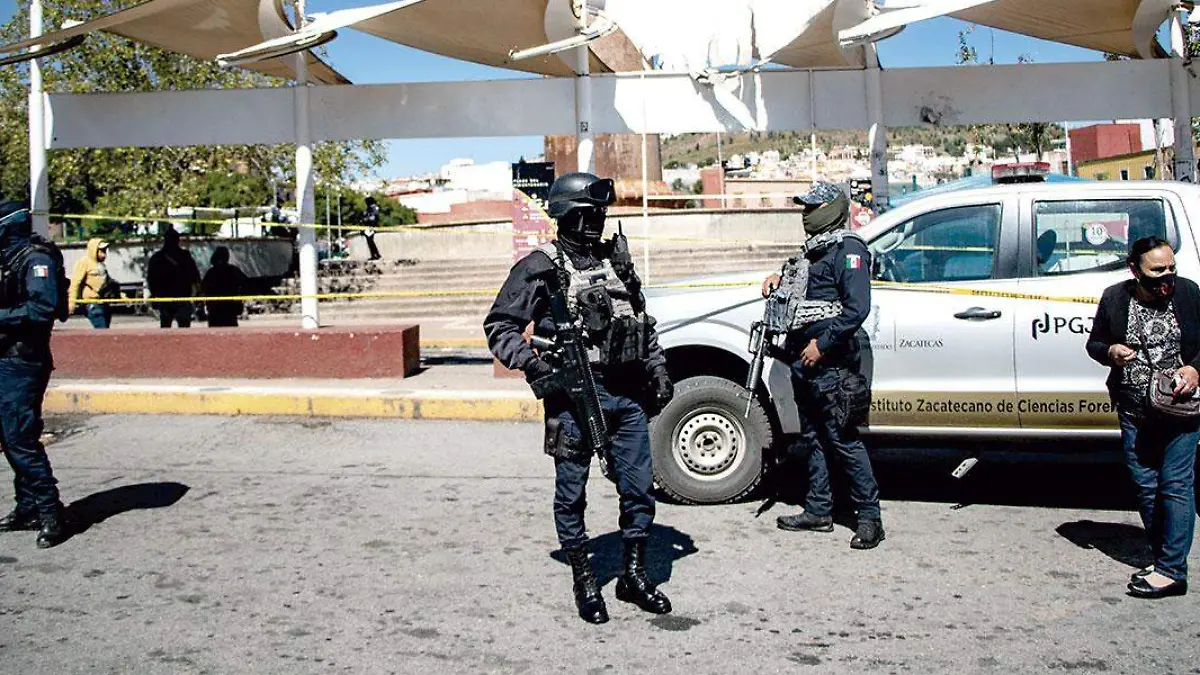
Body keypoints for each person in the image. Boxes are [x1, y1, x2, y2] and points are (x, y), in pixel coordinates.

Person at [484, 172, 675, 625]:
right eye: (589, 214)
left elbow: (641, 322)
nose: (598, 222)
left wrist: (659, 367)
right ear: (567, 214)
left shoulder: (617, 262)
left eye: (602, 214)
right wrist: (535, 367)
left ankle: (632, 575)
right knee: (572, 495)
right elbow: (500, 326)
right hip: (575, 398)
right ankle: (584, 578)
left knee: (639, 488)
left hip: (627, 395)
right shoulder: (541, 266)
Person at [765, 182, 884, 550]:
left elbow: (856, 309)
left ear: (832, 209)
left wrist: (823, 344)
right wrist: (775, 280)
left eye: (813, 207)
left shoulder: (849, 249)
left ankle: (869, 518)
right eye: (804, 207)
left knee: (843, 438)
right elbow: (800, 287)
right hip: (803, 359)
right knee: (812, 436)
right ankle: (818, 509)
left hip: (830, 362)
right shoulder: (811, 252)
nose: (805, 213)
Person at [1086, 236, 1200, 599]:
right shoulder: (1116, 297)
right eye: (1156, 270)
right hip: (1135, 408)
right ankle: (1164, 555)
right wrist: (1111, 352)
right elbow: (1095, 343)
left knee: (1176, 484)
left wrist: (1195, 369)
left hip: (1181, 409)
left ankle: (1171, 571)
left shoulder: (1188, 293)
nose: (1166, 277)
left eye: (1170, 268)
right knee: (1146, 486)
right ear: (1134, 270)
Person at [0, 201, 68, 548]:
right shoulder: (8, 259)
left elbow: (42, 310)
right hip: (6, 360)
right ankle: (27, 506)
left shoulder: (35, 260)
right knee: (8, 437)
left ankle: (50, 512)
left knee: (20, 438)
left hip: (23, 362)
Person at [146, 227, 200, 328]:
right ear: (177, 240)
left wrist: (153, 295)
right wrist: (197, 292)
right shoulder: (185, 256)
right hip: (181, 295)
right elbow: (195, 276)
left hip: (166, 296)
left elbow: (151, 279)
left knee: (166, 326)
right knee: (183, 326)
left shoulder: (157, 258)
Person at [68, 238, 115, 329]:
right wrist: (71, 302)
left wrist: (122, 295)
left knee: (105, 330)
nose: (104, 253)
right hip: (92, 303)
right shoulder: (84, 263)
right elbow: (75, 283)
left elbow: (109, 284)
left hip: (104, 302)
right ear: (94, 250)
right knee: (101, 330)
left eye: (105, 250)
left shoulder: (101, 265)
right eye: (101, 250)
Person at [201, 246, 248, 328]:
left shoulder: (211, 272)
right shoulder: (233, 270)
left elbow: (204, 289)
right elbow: (246, 284)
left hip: (217, 308)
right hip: (227, 308)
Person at [362, 196, 382, 261]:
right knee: (369, 241)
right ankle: (374, 255)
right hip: (368, 227)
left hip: (373, 226)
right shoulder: (368, 209)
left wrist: (367, 219)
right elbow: (365, 217)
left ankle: (376, 254)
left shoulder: (375, 208)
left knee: (370, 241)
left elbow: (373, 218)